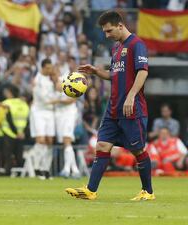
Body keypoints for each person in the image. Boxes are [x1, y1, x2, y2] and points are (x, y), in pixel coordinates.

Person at [66, 11, 154, 201]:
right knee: (102, 144)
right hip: (113, 107)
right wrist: (97, 72)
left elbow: (142, 73)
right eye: (104, 32)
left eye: (109, 31)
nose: (106, 35)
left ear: (120, 25)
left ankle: (148, 192)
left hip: (132, 107)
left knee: (138, 149)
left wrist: (131, 96)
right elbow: (115, 75)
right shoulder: (116, 48)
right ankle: (90, 190)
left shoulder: (136, 45)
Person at [29, 58, 58, 179]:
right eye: (48, 68)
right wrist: (58, 100)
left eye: (51, 68)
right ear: (43, 68)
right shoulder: (37, 80)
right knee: (40, 140)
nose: (50, 70)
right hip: (39, 111)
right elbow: (42, 98)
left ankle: (46, 169)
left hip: (50, 112)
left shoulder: (52, 79)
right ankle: (37, 167)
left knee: (50, 141)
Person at [0, 85, 29, 175]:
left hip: (8, 132)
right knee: (19, 155)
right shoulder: (23, 103)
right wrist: (22, 132)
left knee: (7, 155)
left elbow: (5, 119)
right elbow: (27, 119)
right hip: (21, 133)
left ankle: (7, 172)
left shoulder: (5, 103)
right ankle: (21, 173)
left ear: (10, 93)